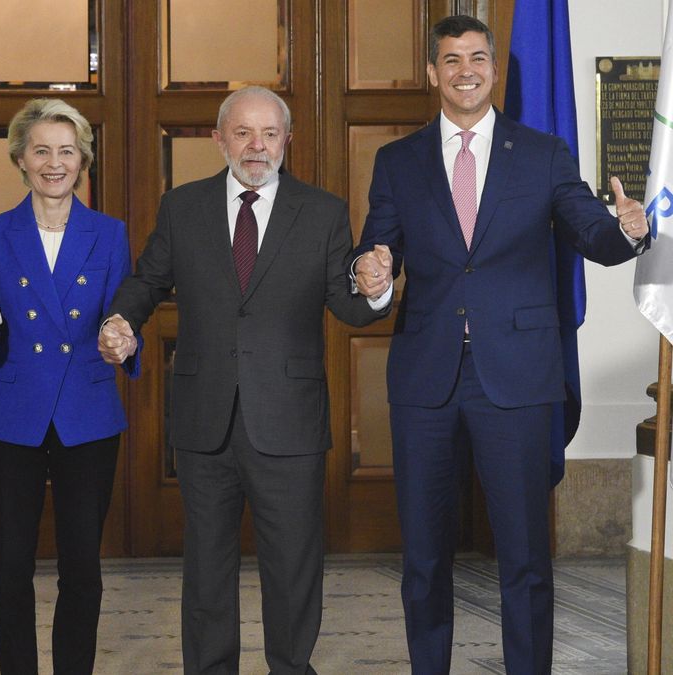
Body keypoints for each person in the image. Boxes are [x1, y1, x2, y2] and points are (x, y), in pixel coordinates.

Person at [351, 15, 649, 675]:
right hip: (426, 379)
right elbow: (376, 249)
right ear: (433, 72)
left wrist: (626, 230)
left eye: (477, 57)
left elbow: (588, 233)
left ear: (494, 68)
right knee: (425, 559)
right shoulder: (397, 161)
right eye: (451, 60)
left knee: (525, 559)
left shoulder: (542, 153)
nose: (465, 71)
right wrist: (368, 275)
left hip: (516, 377)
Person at [99, 86, 386, 674]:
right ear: (219, 138)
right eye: (243, 133)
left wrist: (376, 288)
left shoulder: (324, 210)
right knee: (206, 569)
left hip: (290, 418)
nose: (258, 147)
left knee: (294, 568)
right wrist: (121, 320)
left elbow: (348, 305)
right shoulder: (183, 207)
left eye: (270, 134)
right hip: (206, 419)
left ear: (287, 140)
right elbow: (147, 280)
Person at [0, 98, 140, 674]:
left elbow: (122, 317)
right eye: (42, 150)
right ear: (20, 158)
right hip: (13, 415)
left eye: (67, 151)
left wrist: (123, 341)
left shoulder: (110, 235)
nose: (54, 163)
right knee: (11, 566)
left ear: (83, 160)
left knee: (82, 568)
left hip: (87, 416)